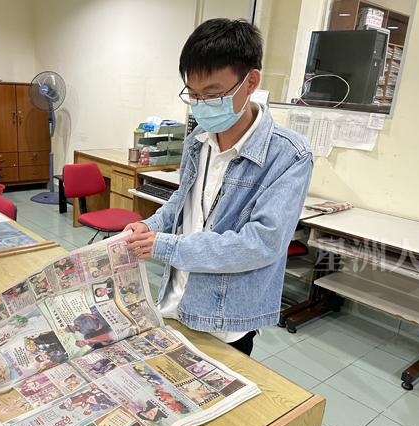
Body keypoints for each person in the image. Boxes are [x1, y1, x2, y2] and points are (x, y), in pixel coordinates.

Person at [126, 19, 313, 356]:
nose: (201, 105)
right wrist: (148, 226)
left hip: (225, 321)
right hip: (173, 303)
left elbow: (261, 243)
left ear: (250, 81)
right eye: (193, 95)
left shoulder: (289, 155)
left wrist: (164, 246)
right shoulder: (198, 141)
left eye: (212, 95)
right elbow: (181, 203)